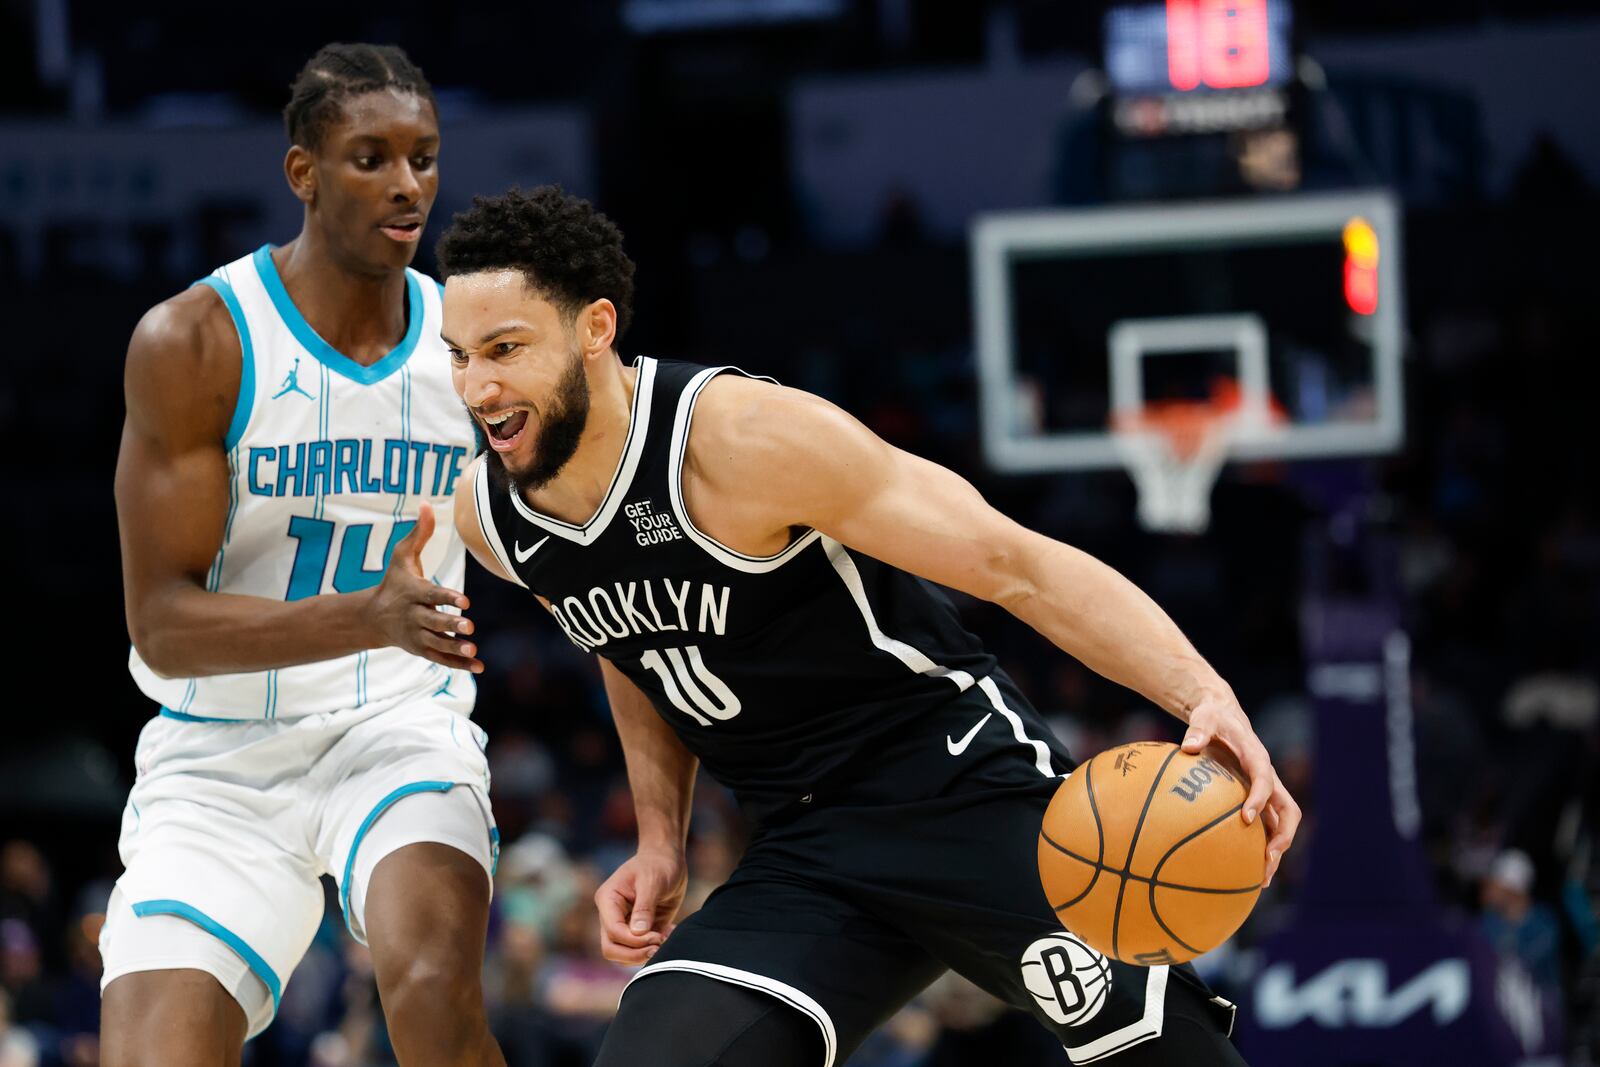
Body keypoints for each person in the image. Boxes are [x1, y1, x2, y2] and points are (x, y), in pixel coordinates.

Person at [438, 186, 1301, 1066]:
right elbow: (628, 648)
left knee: (1174, 1053)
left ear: (595, 328)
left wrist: (1205, 693)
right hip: (801, 845)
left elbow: (1019, 567)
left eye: (505, 349)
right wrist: (661, 839)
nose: (479, 387)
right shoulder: (494, 519)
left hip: (954, 783)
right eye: (460, 355)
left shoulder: (745, 443)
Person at [105, 44, 505, 1067]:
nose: (409, 184)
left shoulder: (473, 345)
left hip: (397, 722)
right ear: (304, 173)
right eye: (370, 157)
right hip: (220, 756)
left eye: (423, 156)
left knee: (428, 986)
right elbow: (161, 624)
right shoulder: (197, 340)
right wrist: (362, 614)